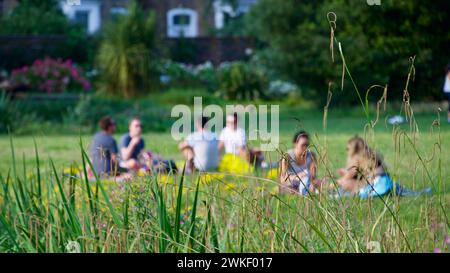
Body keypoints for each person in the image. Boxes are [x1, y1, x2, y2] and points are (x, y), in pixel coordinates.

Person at [279, 131, 322, 195]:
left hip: (307, 184)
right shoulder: (287, 157)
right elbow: (282, 179)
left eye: (307, 145)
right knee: (285, 189)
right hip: (291, 185)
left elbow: (313, 177)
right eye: (303, 145)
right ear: (295, 144)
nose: (305, 148)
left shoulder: (312, 156)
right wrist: (297, 177)